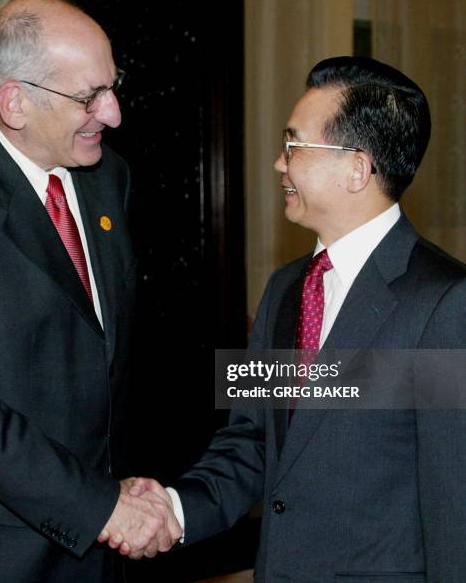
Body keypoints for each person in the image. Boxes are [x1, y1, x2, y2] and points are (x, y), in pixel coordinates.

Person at [126, 57, 466, 581]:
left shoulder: (446, 302)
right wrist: (173, 506)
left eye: (294, 145)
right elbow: (252, 440)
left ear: (357, 167)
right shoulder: (286, 288)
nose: (278, 164)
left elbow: (454, 506)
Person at [0, 0, 180, 582]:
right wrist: (99, 505)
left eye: (113, 84)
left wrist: (122, 491)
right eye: (89, 97)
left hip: (99, 544)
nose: (114, 113)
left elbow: (102, 358)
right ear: (15, 103)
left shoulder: (110, 178)